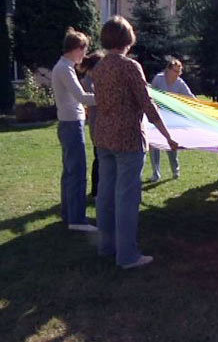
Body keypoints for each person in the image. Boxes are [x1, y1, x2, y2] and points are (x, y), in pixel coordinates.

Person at [91, 16, 178, 269]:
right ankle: (127, 256)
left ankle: (106, 247)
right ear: (127, 39)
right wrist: (167, 135)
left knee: (105, 195)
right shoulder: (130, 67)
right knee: (126, 197)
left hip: (103, 136)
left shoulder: (99, 67)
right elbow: (147, 104)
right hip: (128, 139)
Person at [51, 27, 97, 232]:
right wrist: (111, 97)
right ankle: (77, 220)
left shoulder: (64, 66)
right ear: (76, 48)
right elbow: (83, 98)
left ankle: (68, 214)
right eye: (84, 50)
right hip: (71, 125)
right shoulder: (65, 68)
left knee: (69, 172)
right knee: (77, 173)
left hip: (68, 123)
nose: (84, 55)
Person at [149, 58, 195, 182]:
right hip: (156, 116)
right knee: (154, 145)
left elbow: (190, 98)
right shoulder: (158, 79)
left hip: (171, 119)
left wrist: (200, 106)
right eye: (175, 71)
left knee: (172, 144)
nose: (177, 74)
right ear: (168, 70)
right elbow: (150, 94)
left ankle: (175, 170)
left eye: (179, 72)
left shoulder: (179, 83)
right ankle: (155, 173)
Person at [77, 51, 105, 198]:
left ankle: (100, 190)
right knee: (99, 158)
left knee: (101, 157)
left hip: (100, 122)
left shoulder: (94, 79)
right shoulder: (88, 81)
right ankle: (95, 192)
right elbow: (93, 100)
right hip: (96, 123)